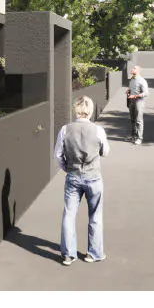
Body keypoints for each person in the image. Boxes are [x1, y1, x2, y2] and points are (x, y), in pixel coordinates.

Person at [55, 95, 109, 265]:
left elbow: (57, 155)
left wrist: (67, 168)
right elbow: (105, 152)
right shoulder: (98, 130)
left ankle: (68, 254)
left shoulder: (65, 130)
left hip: (73, 176)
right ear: (90, 110)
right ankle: (94, 253)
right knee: (95, 215)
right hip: (93, 177)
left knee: (69, 214)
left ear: (76, 110)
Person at [127, 65, 149, 145]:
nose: (132, 69)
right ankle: (134, 136)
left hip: (139, 102)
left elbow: (146, 93)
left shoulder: (142, 80)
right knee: (132, 120)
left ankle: (140, 138)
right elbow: (131, 89)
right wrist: (128, 91)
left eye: (134, 68)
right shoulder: (132, 79)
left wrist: (135, 96)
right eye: (133, 68)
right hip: (131, 101)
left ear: (138, 71)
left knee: (139, 120)